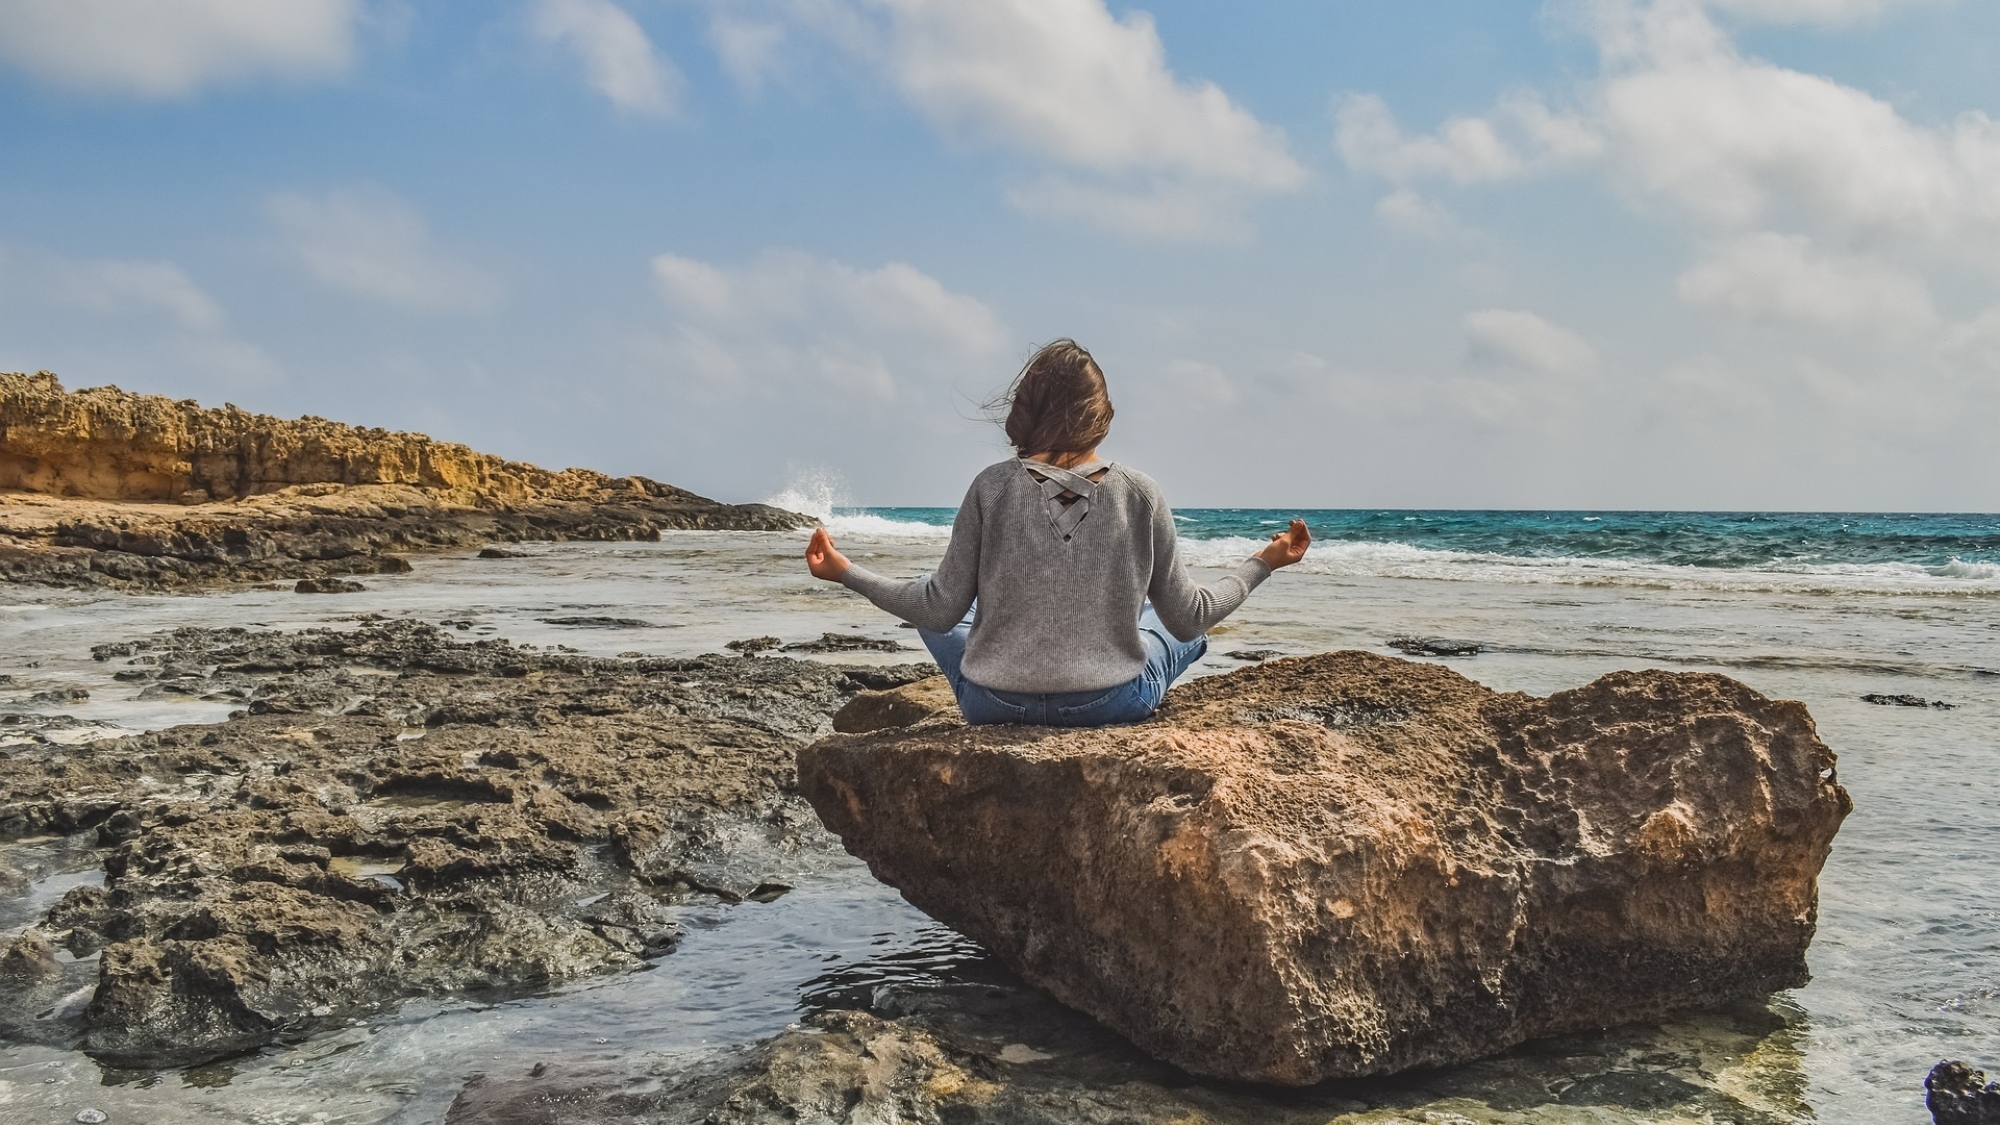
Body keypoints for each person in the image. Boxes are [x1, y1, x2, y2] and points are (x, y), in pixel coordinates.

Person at [804, 339, 1310, 726]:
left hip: (993, 705)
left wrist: (845, 571)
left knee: (936, 600)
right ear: (1100, 414)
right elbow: (1191, 615)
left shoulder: (990, 487)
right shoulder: (1141, 493)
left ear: (1026, 408)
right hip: (1110, 704)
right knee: (1171, 627)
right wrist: (1264, 561)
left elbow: (938, 610)